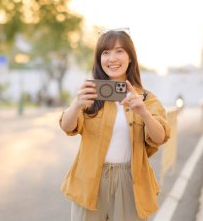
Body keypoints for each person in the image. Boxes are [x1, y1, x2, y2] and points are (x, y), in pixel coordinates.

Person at [59, 28, 171, 221]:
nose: (112, 58)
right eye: (105, 52)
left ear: (130, 58)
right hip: (90, 179)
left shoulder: (146, 98)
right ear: (99, 59)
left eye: (119, 51)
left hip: (130, 180)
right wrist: (77, 104)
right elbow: (68, 126)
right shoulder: (90, 94)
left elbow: (160, 137)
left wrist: (143, 112)